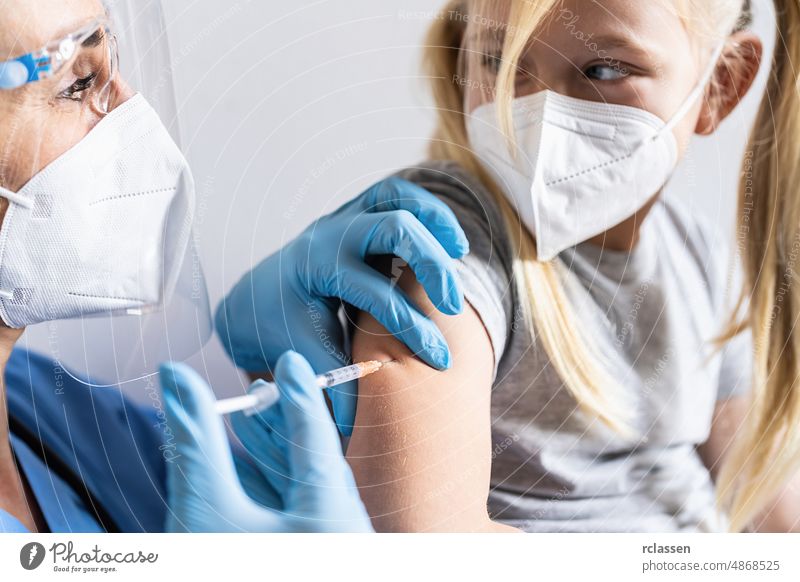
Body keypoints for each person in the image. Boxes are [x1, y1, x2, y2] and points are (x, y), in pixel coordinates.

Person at [278, 0, 798, 532]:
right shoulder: (445, 242)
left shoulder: (696, 251)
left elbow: (760, 489)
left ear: (721, 85)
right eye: (501, 64)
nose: (543, 113)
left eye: (604, 70)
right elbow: (426, 536)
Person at [0, 0, 467, 533]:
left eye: (114, 59)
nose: (132, 115)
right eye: (76, 86)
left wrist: (275, 386)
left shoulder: (58, 414)